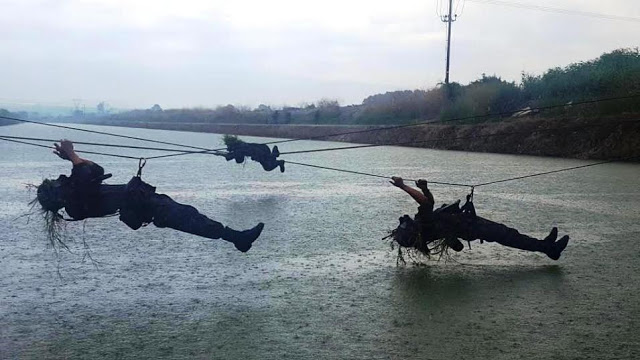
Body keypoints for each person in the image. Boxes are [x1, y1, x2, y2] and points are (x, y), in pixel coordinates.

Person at [34, 140, 264, 252]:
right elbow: (89, 174)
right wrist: (73, 156)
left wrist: (73, 158)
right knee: (190, 219)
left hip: (145, 204)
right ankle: (238, 239)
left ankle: (237, 238)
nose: (59, 180)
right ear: (57, 194)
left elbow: (94, 171)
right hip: (147, 208)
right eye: (55, 183)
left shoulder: (75, 198)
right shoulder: (75, 201)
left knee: (190, 215)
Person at [389, 176, 570, 260]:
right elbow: (425, 203)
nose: (406, 221)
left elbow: (428, 202)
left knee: (510, 235)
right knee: (509, 236)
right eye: (406, 224)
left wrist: (425, 188)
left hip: (471, 225)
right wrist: (403, 186)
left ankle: (545, 245)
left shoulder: (423, 226)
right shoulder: (425, 226)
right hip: (473, 227)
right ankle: (549, 249)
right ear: (413, 231)